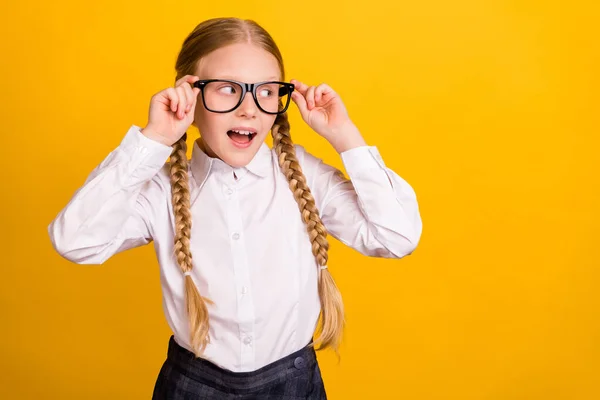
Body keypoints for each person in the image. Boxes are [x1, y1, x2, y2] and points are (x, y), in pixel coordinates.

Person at [48, 17, 422, 399]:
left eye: (265, 91)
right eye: (228, 89)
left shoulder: (304, 175)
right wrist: (153, 138)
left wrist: (345, 136)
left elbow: (396, 238)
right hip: (193, 386)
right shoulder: (158, 191)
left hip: (293, 385)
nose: (250, 109)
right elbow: (76, 240)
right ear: (188, 96)